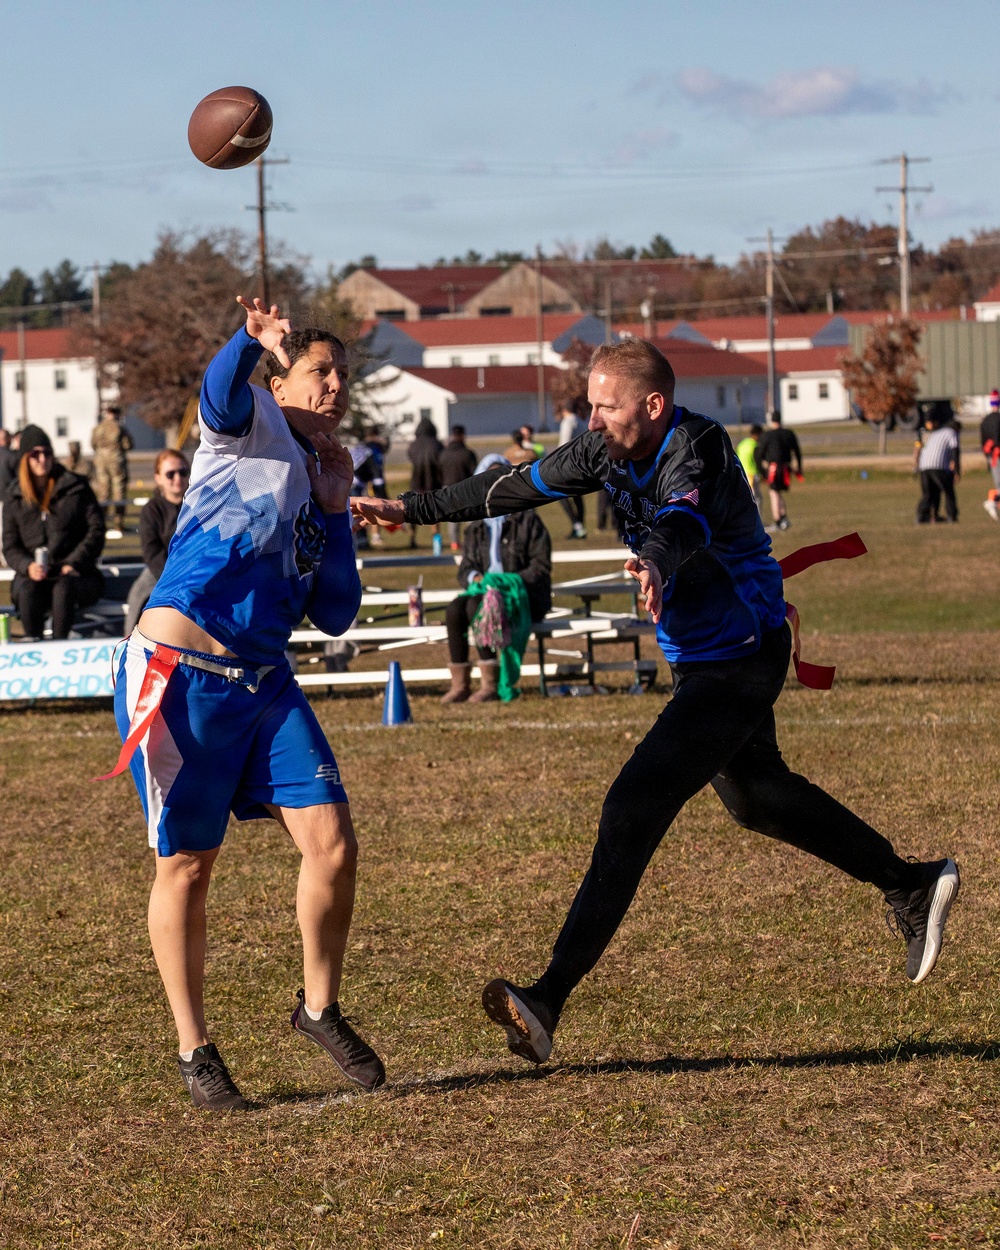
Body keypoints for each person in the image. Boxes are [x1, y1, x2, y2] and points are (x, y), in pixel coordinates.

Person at [353, 336, 960, 1065]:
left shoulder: (695, 446)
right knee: (757, 798)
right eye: (589, 406)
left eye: (605, 406)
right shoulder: (601, 447)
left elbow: (685, 520)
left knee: (631, 807)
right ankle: (910, 882)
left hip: (740, 656)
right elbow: (510, 486)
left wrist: (654, 560)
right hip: (701, 658)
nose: (592, 418)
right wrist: (406, 507)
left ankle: (548, 998)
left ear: (653, 404)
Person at [105, 297, 384, 1111]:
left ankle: (318, 1006)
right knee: (187, 866)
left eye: (343, 375)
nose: (336, 386)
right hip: (178, 674)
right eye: (320, 372)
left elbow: (334, 612)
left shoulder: (326, 468)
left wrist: (336, 513)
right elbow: (220, 387)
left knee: (334, 843)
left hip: (264, 682)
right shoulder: (247, 420)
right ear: (281, 381)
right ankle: (196, 1051)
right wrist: (251, 341)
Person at [442, 453, 552, 704]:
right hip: (484, 591)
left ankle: (490, 684)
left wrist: (505, 582)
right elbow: (465, 567)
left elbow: (540, 567)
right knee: (454, 610)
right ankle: (460, 684)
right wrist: (475, 576)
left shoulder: (528, 521)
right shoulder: (476, 525)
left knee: (475, 606)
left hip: (520, 597)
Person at [2, 425, 105, 639]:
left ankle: (59, 650)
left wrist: (73, 562)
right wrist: (27, 566)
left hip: (76, 573)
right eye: (35, 454)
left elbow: (96, 530)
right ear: (25, 459)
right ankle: (34, 647)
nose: (42, 459)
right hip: (33, 575)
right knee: (28, 590)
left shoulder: (75, 487)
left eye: (47, 453)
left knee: (63, 588)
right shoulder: (14, 498)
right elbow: (10, 546)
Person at [124, 449, 190, 634]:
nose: (178, 478)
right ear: (158, 478)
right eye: (170, 474)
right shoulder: (151, 510)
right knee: (140, 594)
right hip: (161, 571)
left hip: (196, 571)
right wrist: (173, 577)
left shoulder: (200, 506)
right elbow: (152, 552)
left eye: (183, 472)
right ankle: (131, 643)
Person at [91, 405, 134, 538]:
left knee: (103, 492)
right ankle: (118, 523)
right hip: (116, 460)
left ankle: (101, 522)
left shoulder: (98, 428)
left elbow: (92, 444)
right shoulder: (119, 427)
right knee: (118, 491)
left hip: (101, 461)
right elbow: (129, 444)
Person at [757, 412, 802, 531]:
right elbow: (797, 451)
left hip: (774, 469)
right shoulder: (789, 434)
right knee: (779, 492)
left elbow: (759, 453)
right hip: (786, 468)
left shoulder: (767, 435)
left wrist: (762, 471)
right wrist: (799, 468)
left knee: (774, 493)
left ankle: (778, 520)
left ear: (771, 420)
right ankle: (783, 516)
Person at [915, 408, 960, 524]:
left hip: (924, 466)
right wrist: (957, 471)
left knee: (929, 493)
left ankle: (922, 516)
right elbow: (955, 453)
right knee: (948, 491)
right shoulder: (952, 433)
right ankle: (951, 515)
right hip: (938, 466)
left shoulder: (935, 433)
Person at [439, 425, 478, 551]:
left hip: (448, 487)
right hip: (466, 487)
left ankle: (454, 542)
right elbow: (475, 472)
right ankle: (471, 540)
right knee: (470, 516)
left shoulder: (443, 454)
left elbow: (439, 471)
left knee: (453, 517)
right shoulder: (468, 453)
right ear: (462, 435)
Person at [406, 416, 443, 548]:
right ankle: (436, 539)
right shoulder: (437, 444)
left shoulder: (413, 446)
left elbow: (411, 457)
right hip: (433, 481)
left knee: (413, 509)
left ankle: (412, 538)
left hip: (416, 481)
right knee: (433, 510)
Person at [556, 405, 588, 539]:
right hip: (582, 463)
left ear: (564, 410)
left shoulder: (567, 422)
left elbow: (565, 443)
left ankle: (577, 526)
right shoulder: (581, 422)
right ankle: (580, 526)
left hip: (569, 464)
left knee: (558, 493)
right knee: (577, 496)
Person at [735, 423, 764, 520]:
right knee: (756, 499)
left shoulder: (742, 444)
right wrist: (764, 474)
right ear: (757, 434)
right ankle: (757, 521)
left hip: (742, 474)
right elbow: (758, 461)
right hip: (752, 475)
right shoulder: (755, 445)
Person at [980, 389, 1000, 521]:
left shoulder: (985, 421)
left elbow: (983, 442)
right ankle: (991, 501)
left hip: (991, 457)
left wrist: (988, 455)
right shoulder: (998, 419)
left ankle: (993, 502)